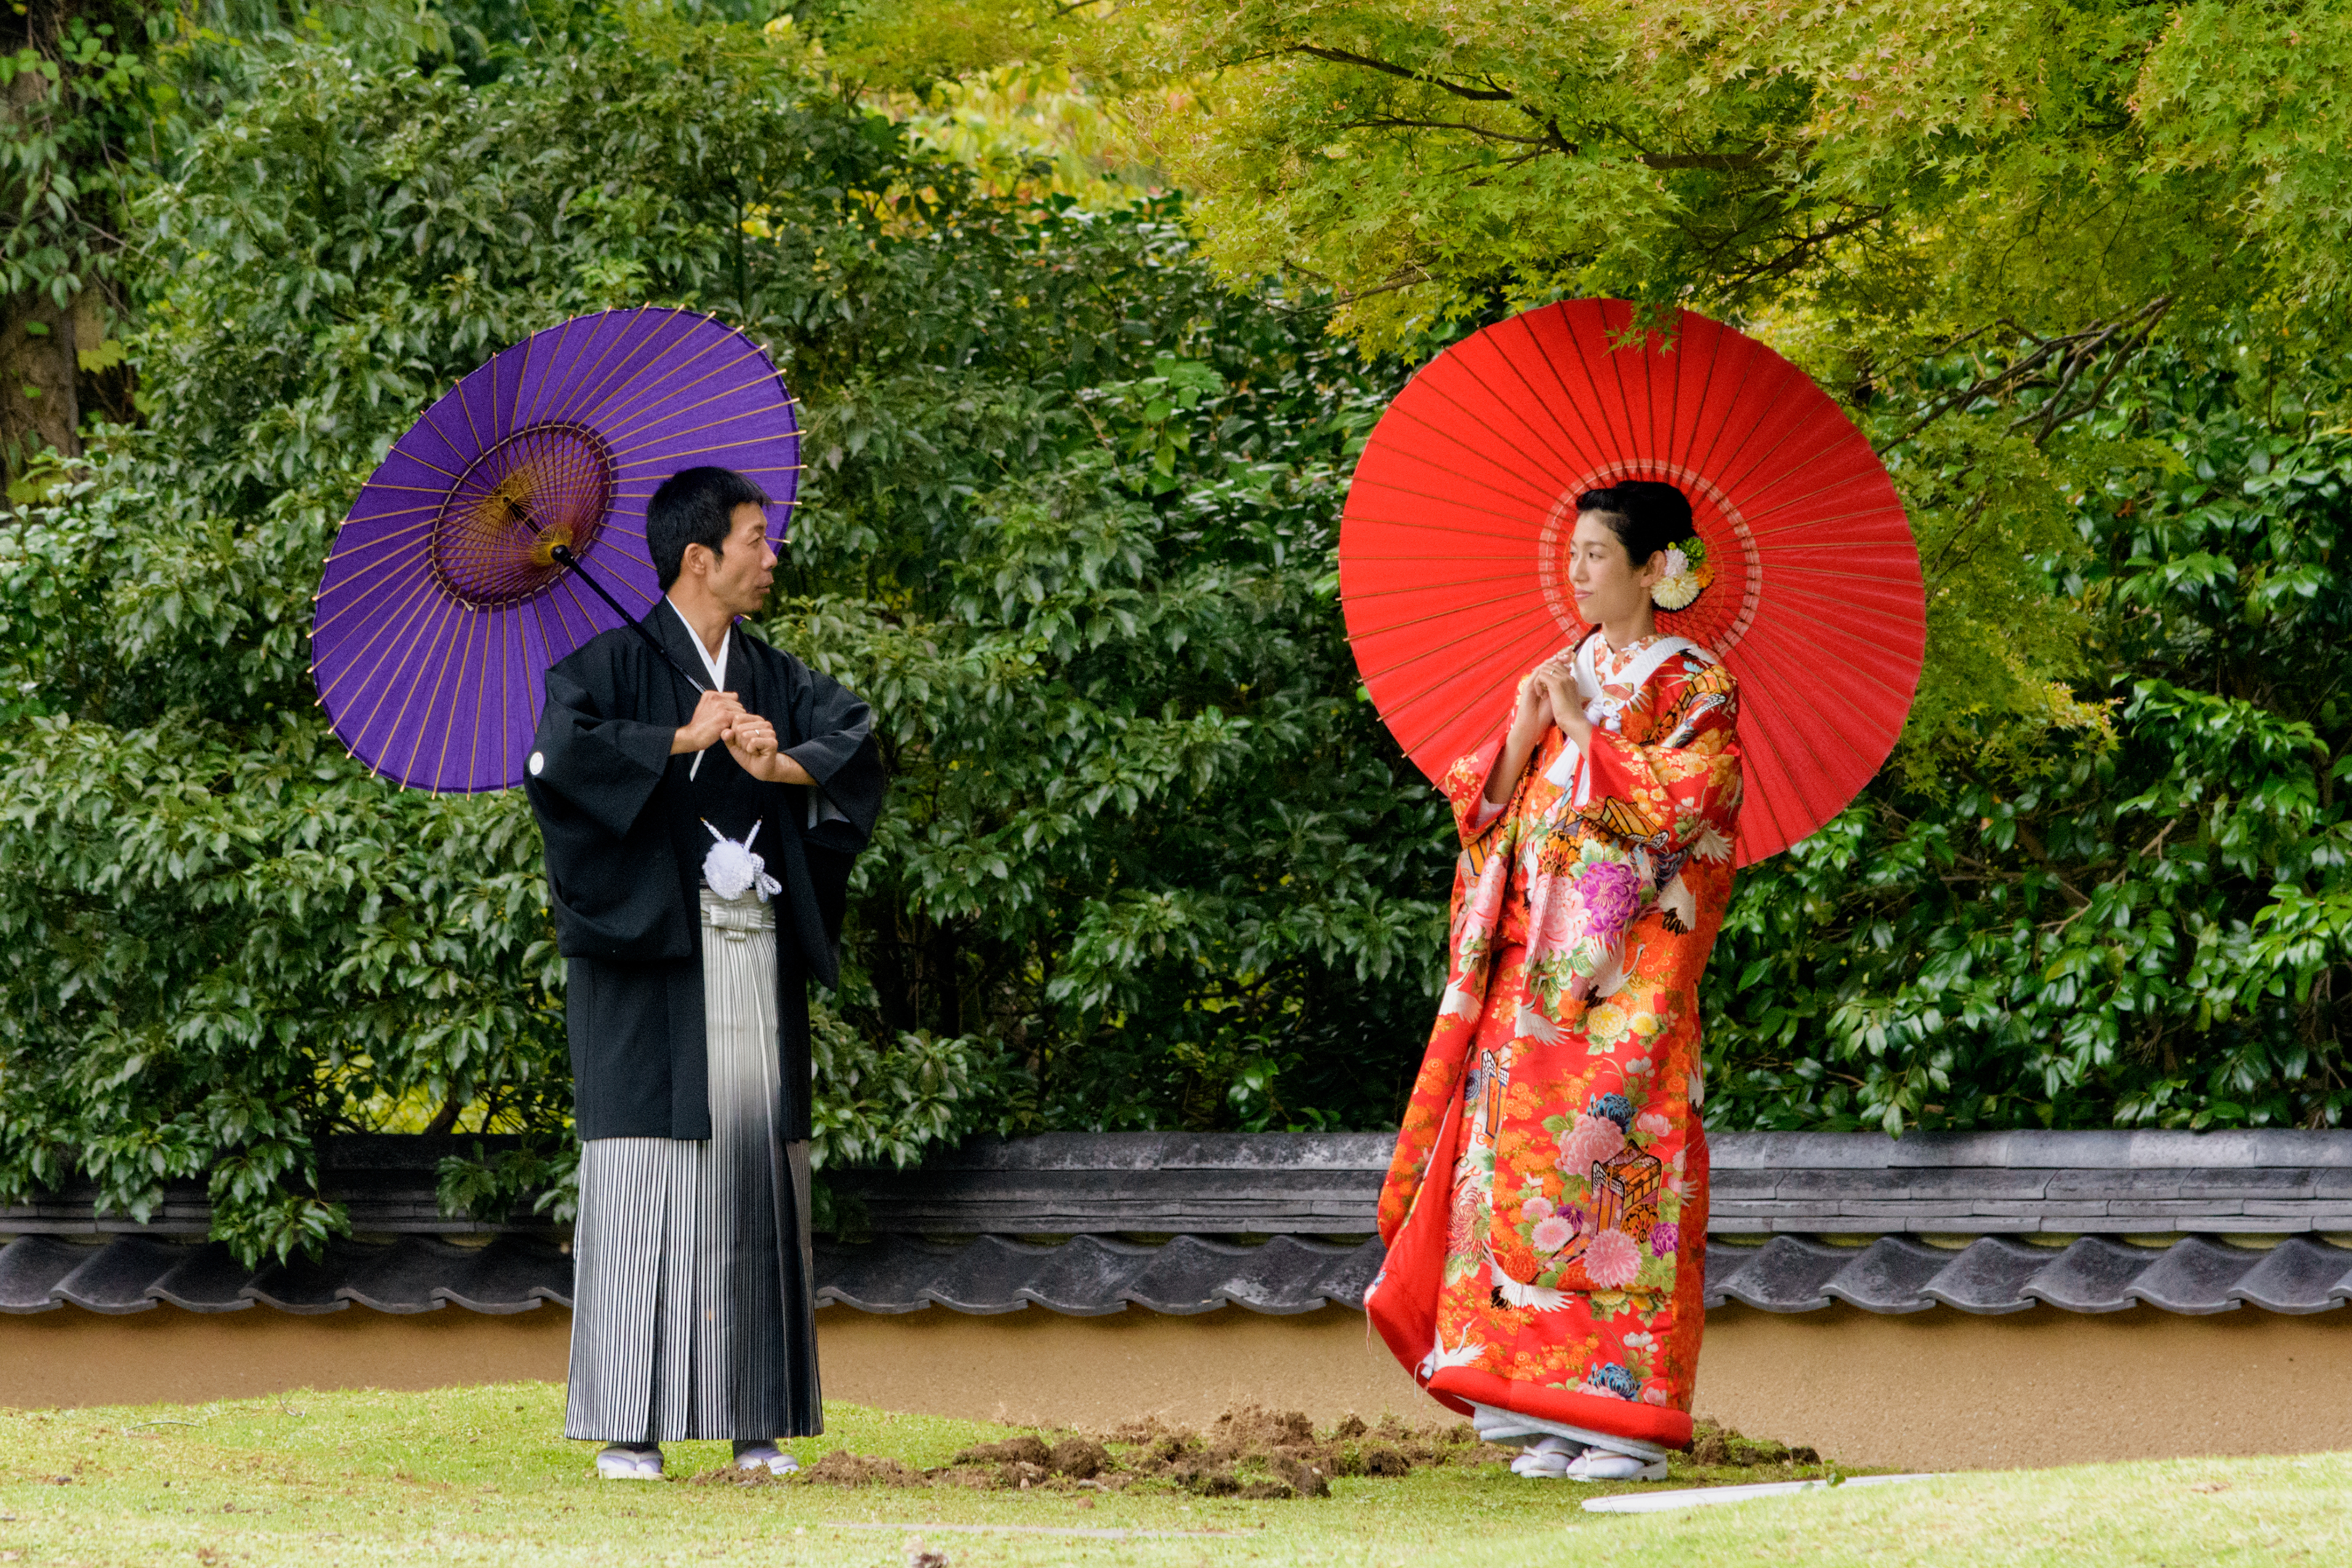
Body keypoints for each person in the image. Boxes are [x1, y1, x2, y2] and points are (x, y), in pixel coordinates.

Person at [1365, 481, 1742, 1482]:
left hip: (1623, 995)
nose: (1575, 571)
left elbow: (1685, 815)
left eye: (1595, 555)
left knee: (1615, 1185)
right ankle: (1540, 1408)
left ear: (1658, 567)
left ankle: (1626, 1421)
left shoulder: (1694, 688)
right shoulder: (1559, 670)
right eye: (1570, 553)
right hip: (1525, 983)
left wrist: (1586, 732)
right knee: (1513, 1179)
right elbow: (1493, 816)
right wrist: (1529, 731)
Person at [523, 465, 883, 1481]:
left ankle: (756, 1422)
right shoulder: (599, 670)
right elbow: (556, 764)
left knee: (756, 1175)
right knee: (643, 1171)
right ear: (700, 557)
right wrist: (673, 738)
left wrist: (780, 764)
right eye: (756, 539)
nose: (771, 558)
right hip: (648, 964)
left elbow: (853, 742)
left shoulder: (768, 674)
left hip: (751, 945)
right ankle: (629, 1424)